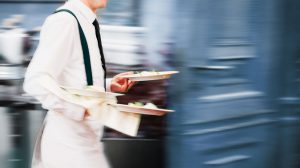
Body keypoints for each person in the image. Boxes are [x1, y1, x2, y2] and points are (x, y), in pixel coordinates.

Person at [23, 0, 136, 167]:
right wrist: (79, 108)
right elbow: (36, 80)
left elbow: (77, 78)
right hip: (67, 144)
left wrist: (109, 85)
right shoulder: (65, 21)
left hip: (85, 141)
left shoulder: (86, 22)